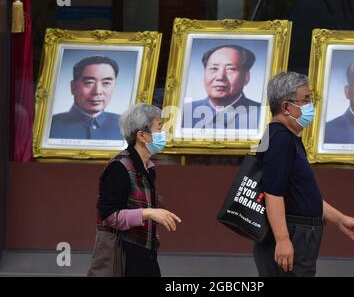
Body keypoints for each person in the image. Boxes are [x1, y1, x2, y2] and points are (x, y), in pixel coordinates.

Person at [253, 71, 354, 277]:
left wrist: (340, 219)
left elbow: (303, 194)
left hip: (301, 233)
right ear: (286, 107)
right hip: (292, 233)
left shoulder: (288, 138)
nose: (310, 106)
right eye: (306, 100)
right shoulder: (280, 140)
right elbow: (273, 194)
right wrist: (282, 239)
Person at [94, 103, 181, 277]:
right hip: (123, 256)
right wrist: (148, 213)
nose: (163, 134)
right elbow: (109, 216)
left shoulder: (147, 167)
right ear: (142, 135)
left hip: (145, 253)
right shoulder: (119, 167)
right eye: (159, 128)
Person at [182, 44, 261, 130]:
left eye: (230, 69)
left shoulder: (263, 115)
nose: (220, 77)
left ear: (246, 77)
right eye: (214, 69)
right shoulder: (183, 113)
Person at [49, 55, 123, 140]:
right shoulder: (50, 126)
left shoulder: (126, 126)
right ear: (73, 87)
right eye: (89, 82)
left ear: (114, 86)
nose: (97, 92)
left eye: (106, 83)